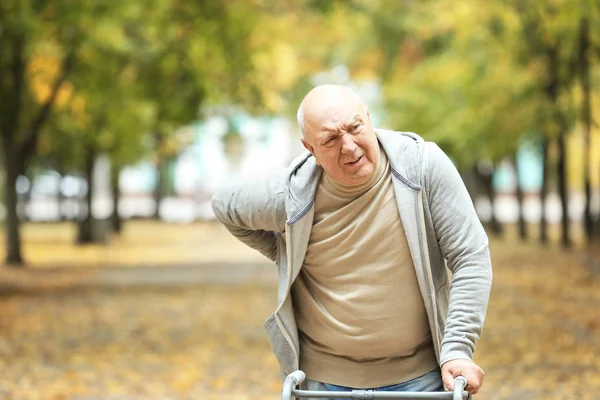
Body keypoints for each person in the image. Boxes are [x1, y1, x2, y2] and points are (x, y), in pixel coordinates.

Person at [211, 85, 492, 397]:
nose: (348, 147)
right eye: (330, 139)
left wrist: (457, 348)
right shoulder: (291, 193)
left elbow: (471, 256)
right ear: (310, 148)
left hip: (421, 381)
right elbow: (224, 204)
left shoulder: (422, 167)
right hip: (324, 384)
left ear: (369, 120)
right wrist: (286, 252)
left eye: (355, 128)